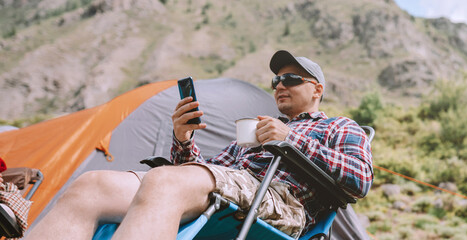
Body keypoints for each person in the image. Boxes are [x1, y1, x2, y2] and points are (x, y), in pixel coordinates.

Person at [24, 50, 373, 239]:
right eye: (276, 79)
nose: (280, 85)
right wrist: (183, 139)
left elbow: (360, 180)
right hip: (232, 189)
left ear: (317, 89)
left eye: (292, 78)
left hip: (281, 202)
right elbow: (205, 172)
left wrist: (292, 139)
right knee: (91, 185)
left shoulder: (340, 127)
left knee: (166, 182)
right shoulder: (259, 128)